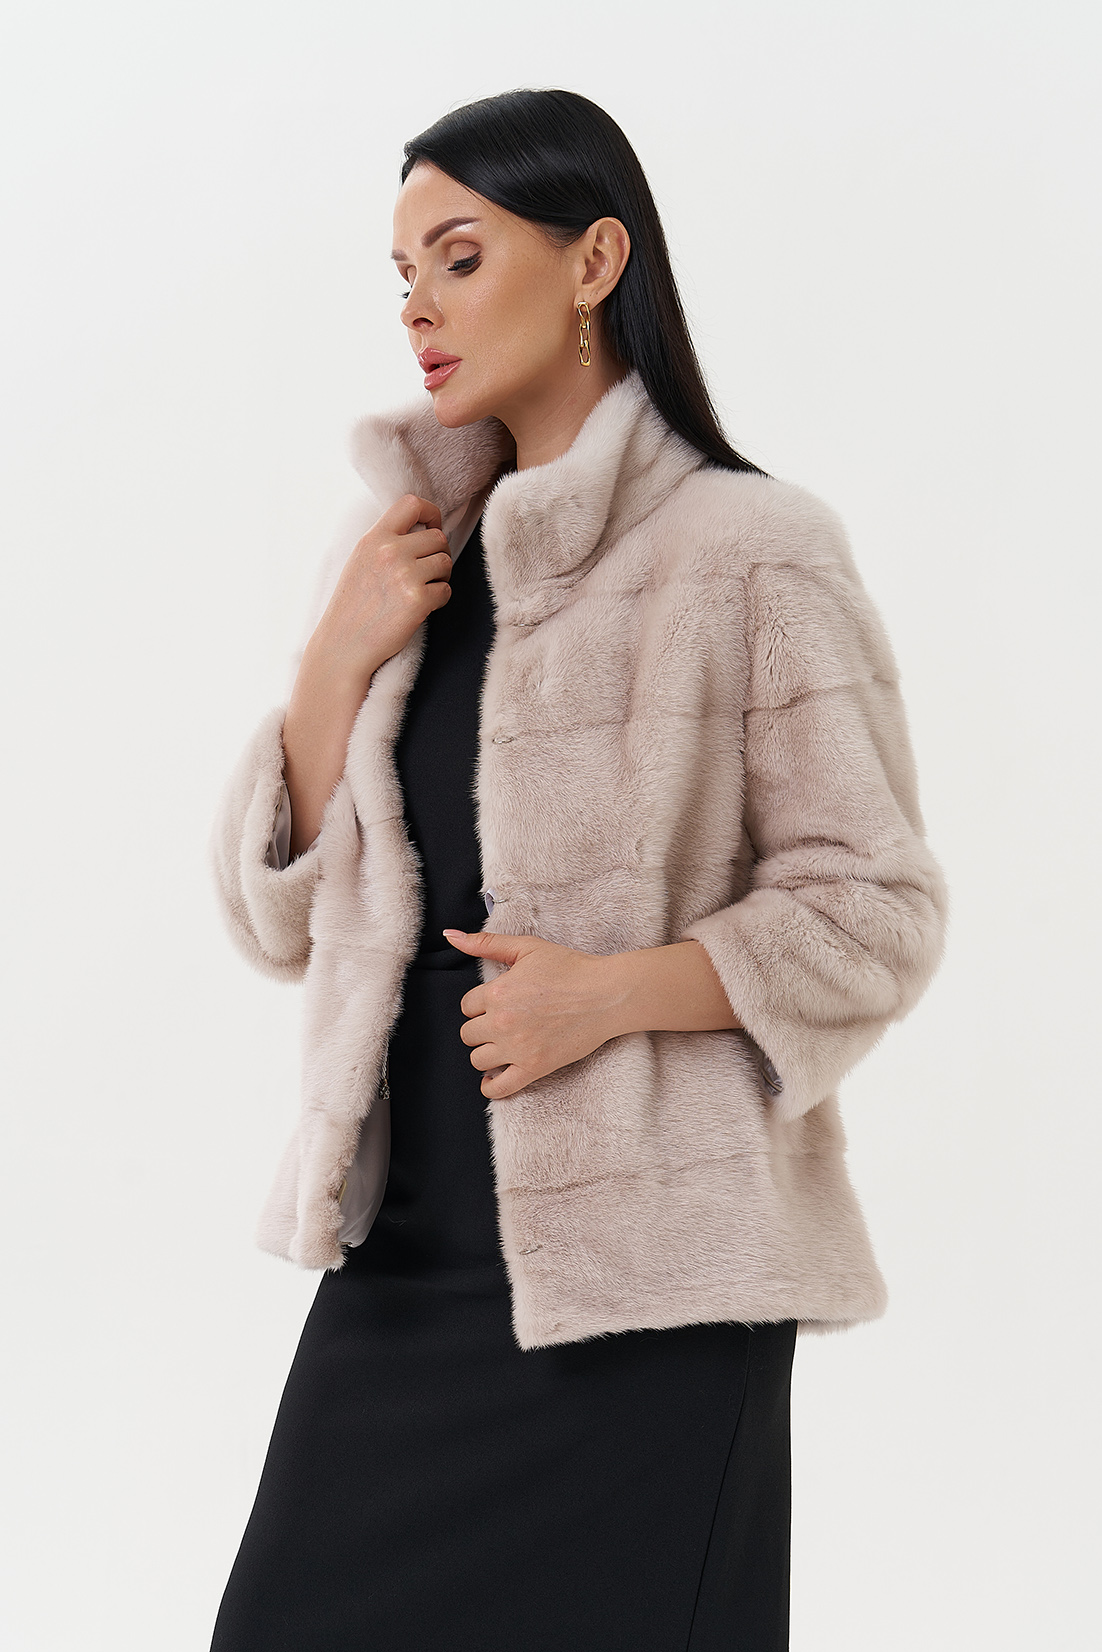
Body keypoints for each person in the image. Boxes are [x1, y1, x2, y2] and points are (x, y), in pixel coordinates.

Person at [207, 88, 947, 1652]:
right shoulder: (397, 558)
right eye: (401, 272)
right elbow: (281, 921)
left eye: (459, 256)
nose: (417, 305)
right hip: (409, 1257)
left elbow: (875, 911)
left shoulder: (749, 549)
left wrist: (612, 996)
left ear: (595, 259)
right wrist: (333, 664)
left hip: (652, 1294)